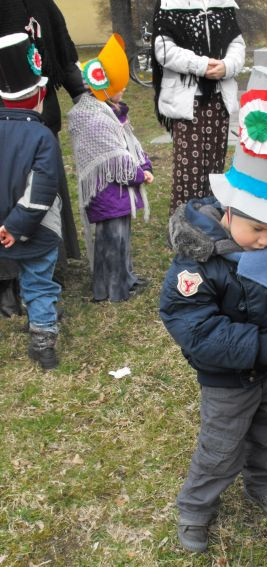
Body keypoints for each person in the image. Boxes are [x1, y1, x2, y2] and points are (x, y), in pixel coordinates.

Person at [159, 67, 267, 553]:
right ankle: (196, 507)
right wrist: (257, 346)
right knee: (220, 448)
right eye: (259, 230)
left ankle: (262, 484)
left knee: (265, 435)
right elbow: (192, 326)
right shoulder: (198, 264)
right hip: (228, 377)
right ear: (229, 212)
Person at [68, 35, 154, 303]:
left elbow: (130, 145)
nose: (124, 90)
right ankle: (117, 289)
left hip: (114, 197)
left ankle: (111, 285)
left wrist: (145, 163)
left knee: (116, 242)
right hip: (109, 195)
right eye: (120, 86)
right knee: (114, 243)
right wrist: (141, 174)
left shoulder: (110, 113)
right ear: (104, 88)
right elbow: (116, 160)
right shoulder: (96, 120)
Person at [0, 0, 85, 268]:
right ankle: (6, 283)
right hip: (4, 120)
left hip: (40, 112)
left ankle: (52, 266)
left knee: (43, 188)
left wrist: (85, 97)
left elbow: (64, 55)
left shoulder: (42, 4)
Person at [0, 33, 63, 369]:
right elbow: (41, 188)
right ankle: (43, 341)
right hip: (37, 228)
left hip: (4, 229)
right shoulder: (41, 135)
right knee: (39, 281)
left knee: (30, 278)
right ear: (40, 95)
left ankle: (41, 313)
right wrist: (17, 225)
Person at [152, 0, 245, 217]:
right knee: (189, 170)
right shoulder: (169, 5)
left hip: (218, 97)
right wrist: (201, 65)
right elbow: (164, 50)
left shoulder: (222, 3)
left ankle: (210, 222)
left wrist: (227, 66)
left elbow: (237, 43)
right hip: (187, 100)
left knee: (214, 165)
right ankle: (184, 226)